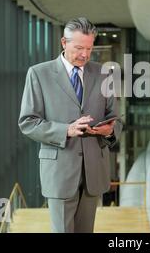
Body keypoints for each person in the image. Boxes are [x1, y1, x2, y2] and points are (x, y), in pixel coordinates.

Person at [18, 17, 122, 233]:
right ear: (64, 43)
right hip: (60, 171)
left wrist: (110, 130)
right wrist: (66, 130)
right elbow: (28, 122)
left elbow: (116, 118)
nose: (85, 54)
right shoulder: (39, 74)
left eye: (89, 48)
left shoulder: (104, 73)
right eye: (79, 48)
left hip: (94, 170)